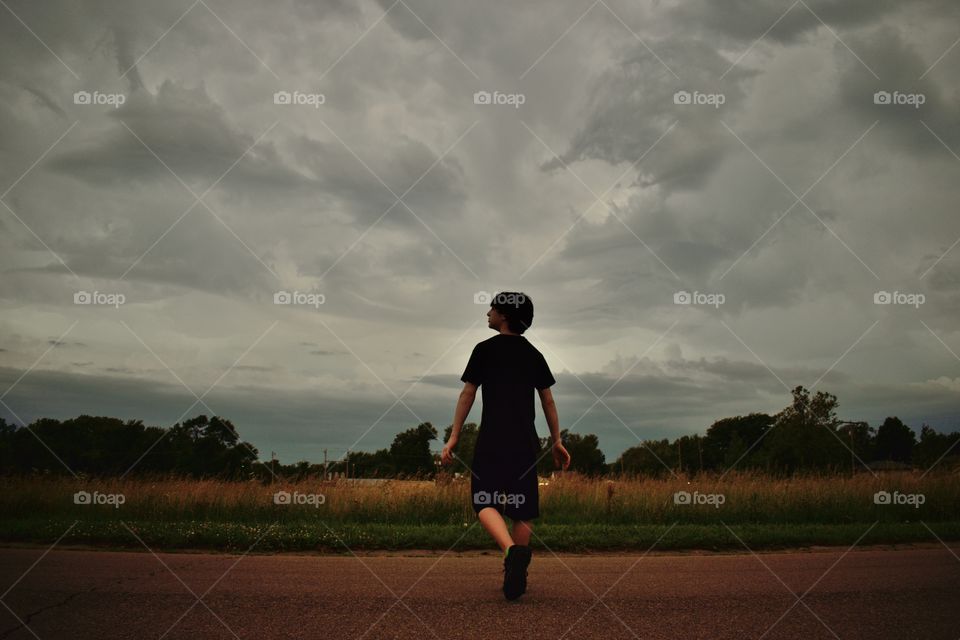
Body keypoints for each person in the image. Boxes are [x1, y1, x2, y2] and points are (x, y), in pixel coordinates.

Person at [441, 291, 571, 601]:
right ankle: (518, 571)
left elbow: (468, 394)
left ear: (504, 315)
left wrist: (455, 435)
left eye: (492, 309)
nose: (487, 313)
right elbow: (548, 401)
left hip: (492, 439)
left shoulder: (484, 350)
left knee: (483, 500)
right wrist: (556, 440)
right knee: (521, 508)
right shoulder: (534, 354)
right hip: (525, 441)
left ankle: (512, 552)